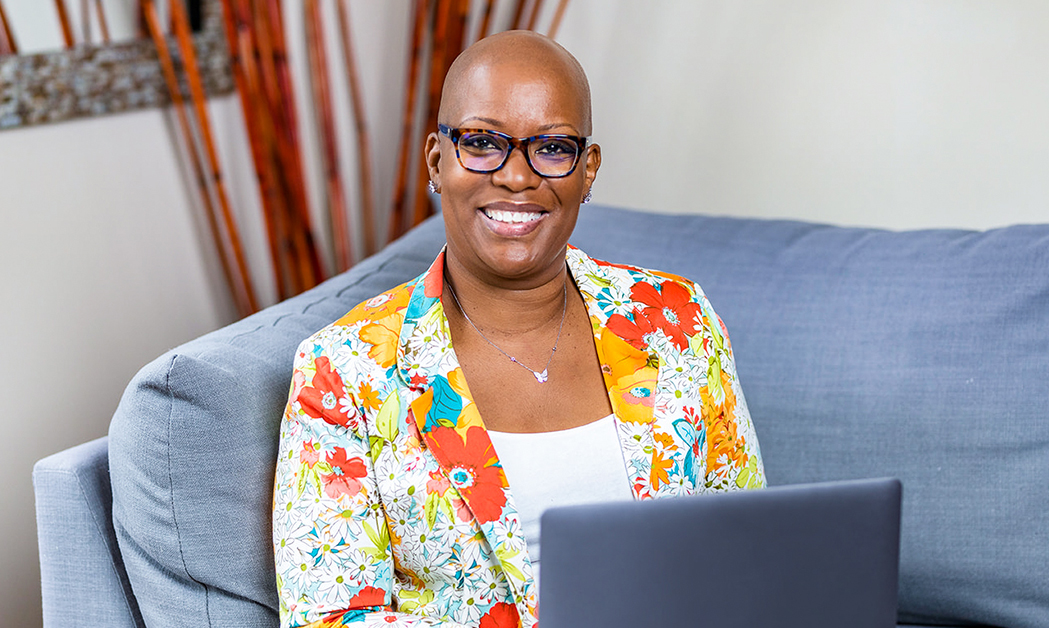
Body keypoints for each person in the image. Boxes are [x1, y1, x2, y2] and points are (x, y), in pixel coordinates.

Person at [272, 30, 765, 628]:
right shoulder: (343, 370)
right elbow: (329, 618)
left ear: (587, 171)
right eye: (482, 143)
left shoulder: (678, 320)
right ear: (437, 161)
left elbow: (748, 547)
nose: (515, 177)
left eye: (552, 148)